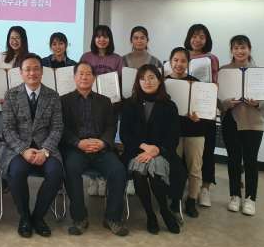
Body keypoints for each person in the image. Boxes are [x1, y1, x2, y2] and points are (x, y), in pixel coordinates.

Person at [60, 62, 128, 236]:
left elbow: (111, 126)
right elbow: (62, 128)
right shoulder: (64, 101)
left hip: (101, 148)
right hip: (77, 148)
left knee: (119, 170)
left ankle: (112, 218)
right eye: (80, 74)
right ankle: (79, 218)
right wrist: (77, 143)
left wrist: (103, 142)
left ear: (94, 77)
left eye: (88, 73)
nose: (84, 77)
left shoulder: (104, 101)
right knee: (71, 169)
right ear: (74, 78)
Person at [1, 53, 64, 238]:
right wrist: (23, 150)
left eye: (36, 68)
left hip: (46, 148)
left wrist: (45, 151)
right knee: (17, 172)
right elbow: (7, 129)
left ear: (42, 72)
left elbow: (57, 127)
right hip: (18, 150)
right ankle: (24, 217)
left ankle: (38, 216)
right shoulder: (11, 95)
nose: (32, 73)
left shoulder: (52, 96)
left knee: (56, 172)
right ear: (21, 73)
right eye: (27, 69)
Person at [120, 65, 181, 235]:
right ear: (138, 82)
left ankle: (164, 210)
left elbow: (173, 136)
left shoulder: (169, 106)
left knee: (154, 172)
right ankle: (150, 214)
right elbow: (124, 134)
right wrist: (144, 147)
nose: (147, 81)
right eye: (143, 78)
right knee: (140, 172)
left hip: (162, 152)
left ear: (159, 80)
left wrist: (157, 150)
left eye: (152, 77)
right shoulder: (130, 104)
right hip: (136, 151)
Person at [219, 35, 264, 216]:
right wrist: (227, 103)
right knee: (233, 160)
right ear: (231, 50)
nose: (239, 51)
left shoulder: (260, 73)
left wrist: (257, 103)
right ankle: (234, 195)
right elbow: (217, 101)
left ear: (249, 49)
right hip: (231, 122)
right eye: (235, 48)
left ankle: (250, 199)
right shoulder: (224, 71)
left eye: (243, 47)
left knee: (250, 161)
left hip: (253, 123)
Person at [79, 24, 123, 196]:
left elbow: (120, 82)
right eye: (98, 36)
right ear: (94, 39)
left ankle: (104, 178)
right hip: (88, 104)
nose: (102, 39)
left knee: (105, 138)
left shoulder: (117, 59)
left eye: (105, 36)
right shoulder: (86, 56)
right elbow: (80, 78)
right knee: (89, 136)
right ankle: (92, 179)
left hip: (110, 106)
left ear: (110, 39)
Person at [165, 47, 207, 218]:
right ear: (170, 62)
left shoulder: (196, 84)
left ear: (188, 63)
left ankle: (191, 200)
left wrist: (199, 116)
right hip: (172, 132)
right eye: (175, 60)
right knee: (175, 168)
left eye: (183, 60)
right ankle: (175, 200)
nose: (179, 64)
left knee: (194, 168)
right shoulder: (164, 83)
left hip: (194, 131)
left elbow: (205, 110)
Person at [184, 23, 219, 208]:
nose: (197, 40)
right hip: (185, 113)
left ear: (207, 40)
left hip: (205, 111)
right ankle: (187, 186)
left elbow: (215, 83)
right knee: (187, 152)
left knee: (207, 151)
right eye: (194, 36)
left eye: (202, 37)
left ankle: (205, 188)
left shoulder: (211, 59)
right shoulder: (181, 56)